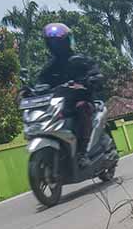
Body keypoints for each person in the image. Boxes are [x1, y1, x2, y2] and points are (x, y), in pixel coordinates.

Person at [37, 22, 103, 155]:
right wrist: (29, 90)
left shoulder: (80, 60)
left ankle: (83, 151)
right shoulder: (50, 67)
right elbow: (40, 82)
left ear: (66, 42)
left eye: (58, 42)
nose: (56, 46)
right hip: (60, 106)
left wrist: (92, 78)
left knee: (81, 107)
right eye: (52, 43)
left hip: (83, 101)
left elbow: (95, 71)